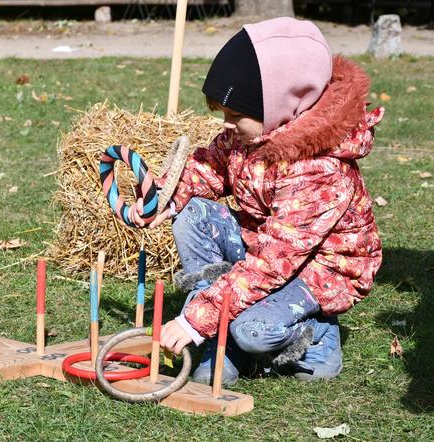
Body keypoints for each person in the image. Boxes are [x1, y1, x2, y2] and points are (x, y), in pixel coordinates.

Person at [129, 17, 385, 384]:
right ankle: (220, 335)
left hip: (317, 271)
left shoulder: (318, 171)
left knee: (253, 332)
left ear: (283, 105)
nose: (226, 126)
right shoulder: (251, 136)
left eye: (235, 116)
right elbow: (210, 167)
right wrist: (165, 199)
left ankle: (317, 335)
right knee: (193, 213)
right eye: (223, 115)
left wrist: (195, 319)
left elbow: (275, 261)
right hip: (266, 247)